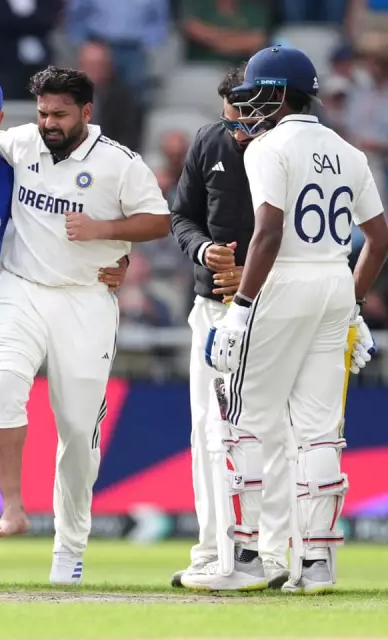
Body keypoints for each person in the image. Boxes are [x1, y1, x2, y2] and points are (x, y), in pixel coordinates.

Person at [0, 66, 170, 585]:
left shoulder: (119, 163)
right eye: (42, 113)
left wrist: (105, 230)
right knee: (3, 382)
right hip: (21, 288)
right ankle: (12, 507)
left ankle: (69, 547)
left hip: (86, 298)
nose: (49, 123)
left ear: (86, 112)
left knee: (78, 429)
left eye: (59, 114)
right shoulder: (22, 142)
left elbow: (159, 220)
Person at [203, 45, 388, 593]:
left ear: (279, 94)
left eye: (257, 94)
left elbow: (268, 233)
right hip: (333, 282)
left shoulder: (268, 146)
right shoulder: (349, 151)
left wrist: (239, 311)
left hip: (283, 281)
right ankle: (317, 564)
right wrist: (353, 305)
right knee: (319, 432)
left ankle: (246, 560)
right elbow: (378, 240)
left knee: (243, 421)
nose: (249, 106)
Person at [170, 68, 290, 590]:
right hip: (213, 307)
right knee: (207, 432)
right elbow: (181, 216)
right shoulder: (209, 141)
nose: (237, 131)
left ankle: (274, 552)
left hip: (276, 307)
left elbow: (308, 237)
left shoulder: (288, 149)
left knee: (272, 430)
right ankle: (212, 549)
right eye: (230, 119)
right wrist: (203, 250)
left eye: (246, 120)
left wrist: (255, 276)